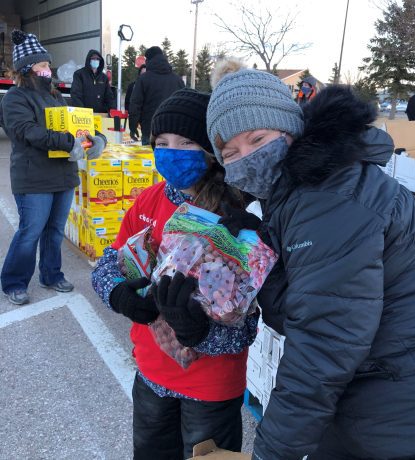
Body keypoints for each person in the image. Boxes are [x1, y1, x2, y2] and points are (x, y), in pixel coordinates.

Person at [206, 59, 415, 459]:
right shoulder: (299, 192)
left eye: (257, 139)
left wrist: (270, 453)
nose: (248, 156)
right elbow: (311, 307)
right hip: (383, 388)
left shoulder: (329, 197)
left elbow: (323, 344)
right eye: (231, 152)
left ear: (290, 130)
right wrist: (266, 258)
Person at [92, 88, 259, 460]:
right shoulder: (149, 200)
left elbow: (247, 325)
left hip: (212, 387)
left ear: (211, 150)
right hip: (151, 373)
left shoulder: (239, 215)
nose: (172, 151)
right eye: (162, 143)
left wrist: (200, 333)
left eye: (186, 142)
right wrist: (118, 294)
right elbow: (109, 265)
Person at [0, 30, 106, 305]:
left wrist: (97, 139)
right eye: (43, 64)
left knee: (55, 230)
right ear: (28, 68)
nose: (48, 69)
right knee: (31, 231)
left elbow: (77, 124)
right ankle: (14, 282)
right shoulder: (14, 98)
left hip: (63, 176)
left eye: (48, 64)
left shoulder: (56, 96)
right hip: (33, 178)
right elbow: (27, 131)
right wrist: (68, 142)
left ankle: (51, 274)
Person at [128, 46, 184, 145]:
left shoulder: (143, 79)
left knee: (150, 155)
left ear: (148, 60)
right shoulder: (178, 80)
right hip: (173, 132)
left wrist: (132, 127)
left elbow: (135, 105)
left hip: (150, 131)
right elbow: (183, 106)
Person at [70, 49, 116, 114]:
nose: (95, 60)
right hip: (84, 115)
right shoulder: (79, 74)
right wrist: (82, 112)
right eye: (93, 58)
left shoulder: (104, 78)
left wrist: (112, 111)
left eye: (97, 59)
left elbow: (109, 97)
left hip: (100, 114)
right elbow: (76, 95)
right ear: (89, 60)